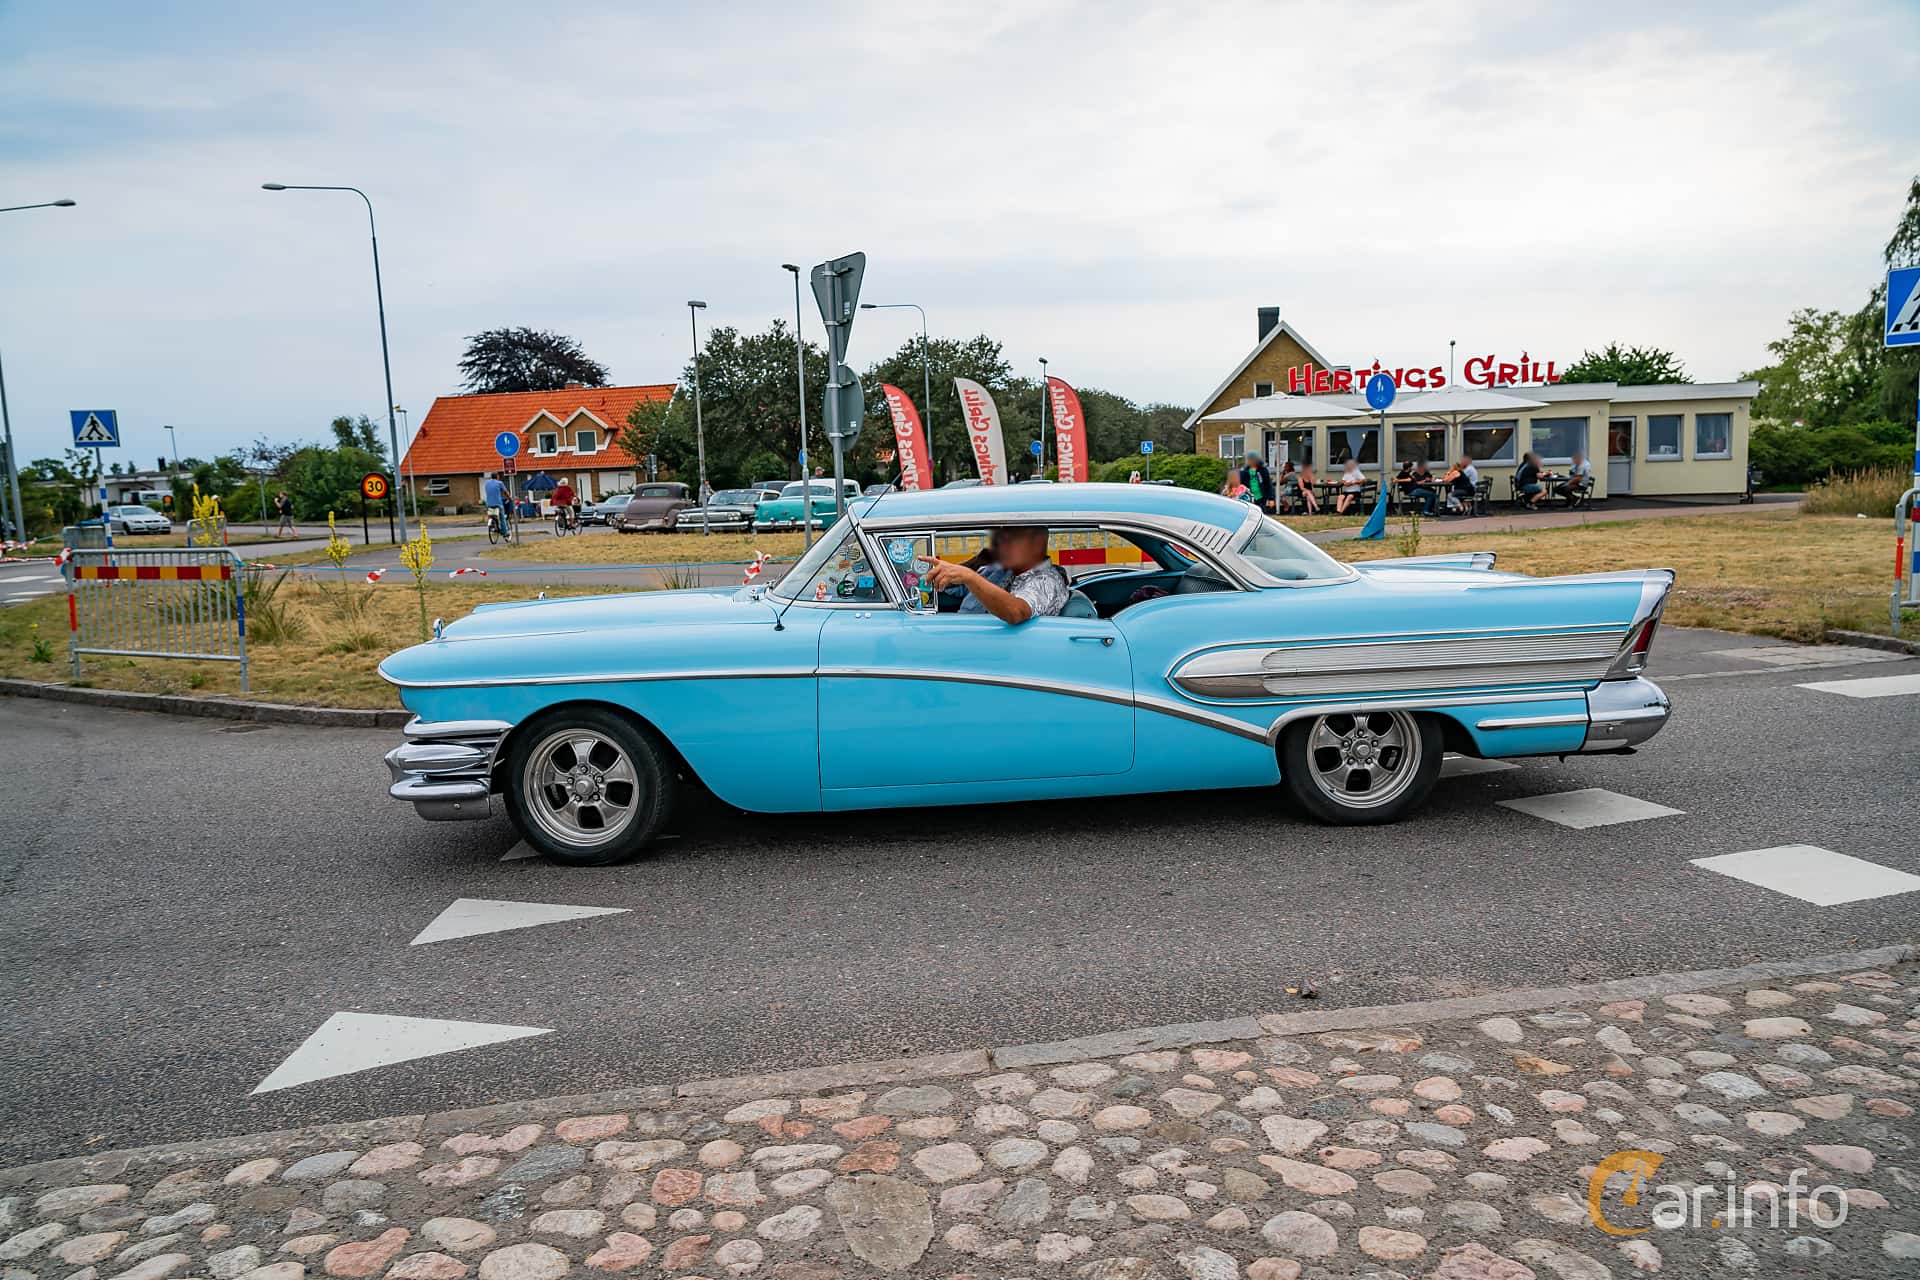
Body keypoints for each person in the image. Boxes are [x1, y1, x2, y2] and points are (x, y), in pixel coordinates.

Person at [919, 526, 1068, 624]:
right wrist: (976, 562)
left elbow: (1017, 612)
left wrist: (969, 576)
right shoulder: (1001, 570)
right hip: (969, 635)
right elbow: (953, 588)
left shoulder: (1046, 580)